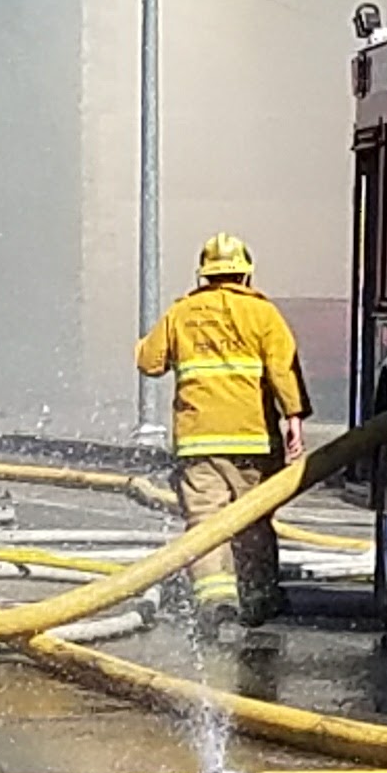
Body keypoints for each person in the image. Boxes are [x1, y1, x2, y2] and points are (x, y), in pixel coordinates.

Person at [135, 232, 307, 631]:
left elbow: (149, 363)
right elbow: (283, 371)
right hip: (254, 441)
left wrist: (146, 343)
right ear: (246, 275)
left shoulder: (182, 312)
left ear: (203, 275)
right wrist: (294, 419)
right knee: (254, 518)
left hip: (199, 442)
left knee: (205, 522)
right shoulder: (263, 314)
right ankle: (259, 598)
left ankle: (216, 601)